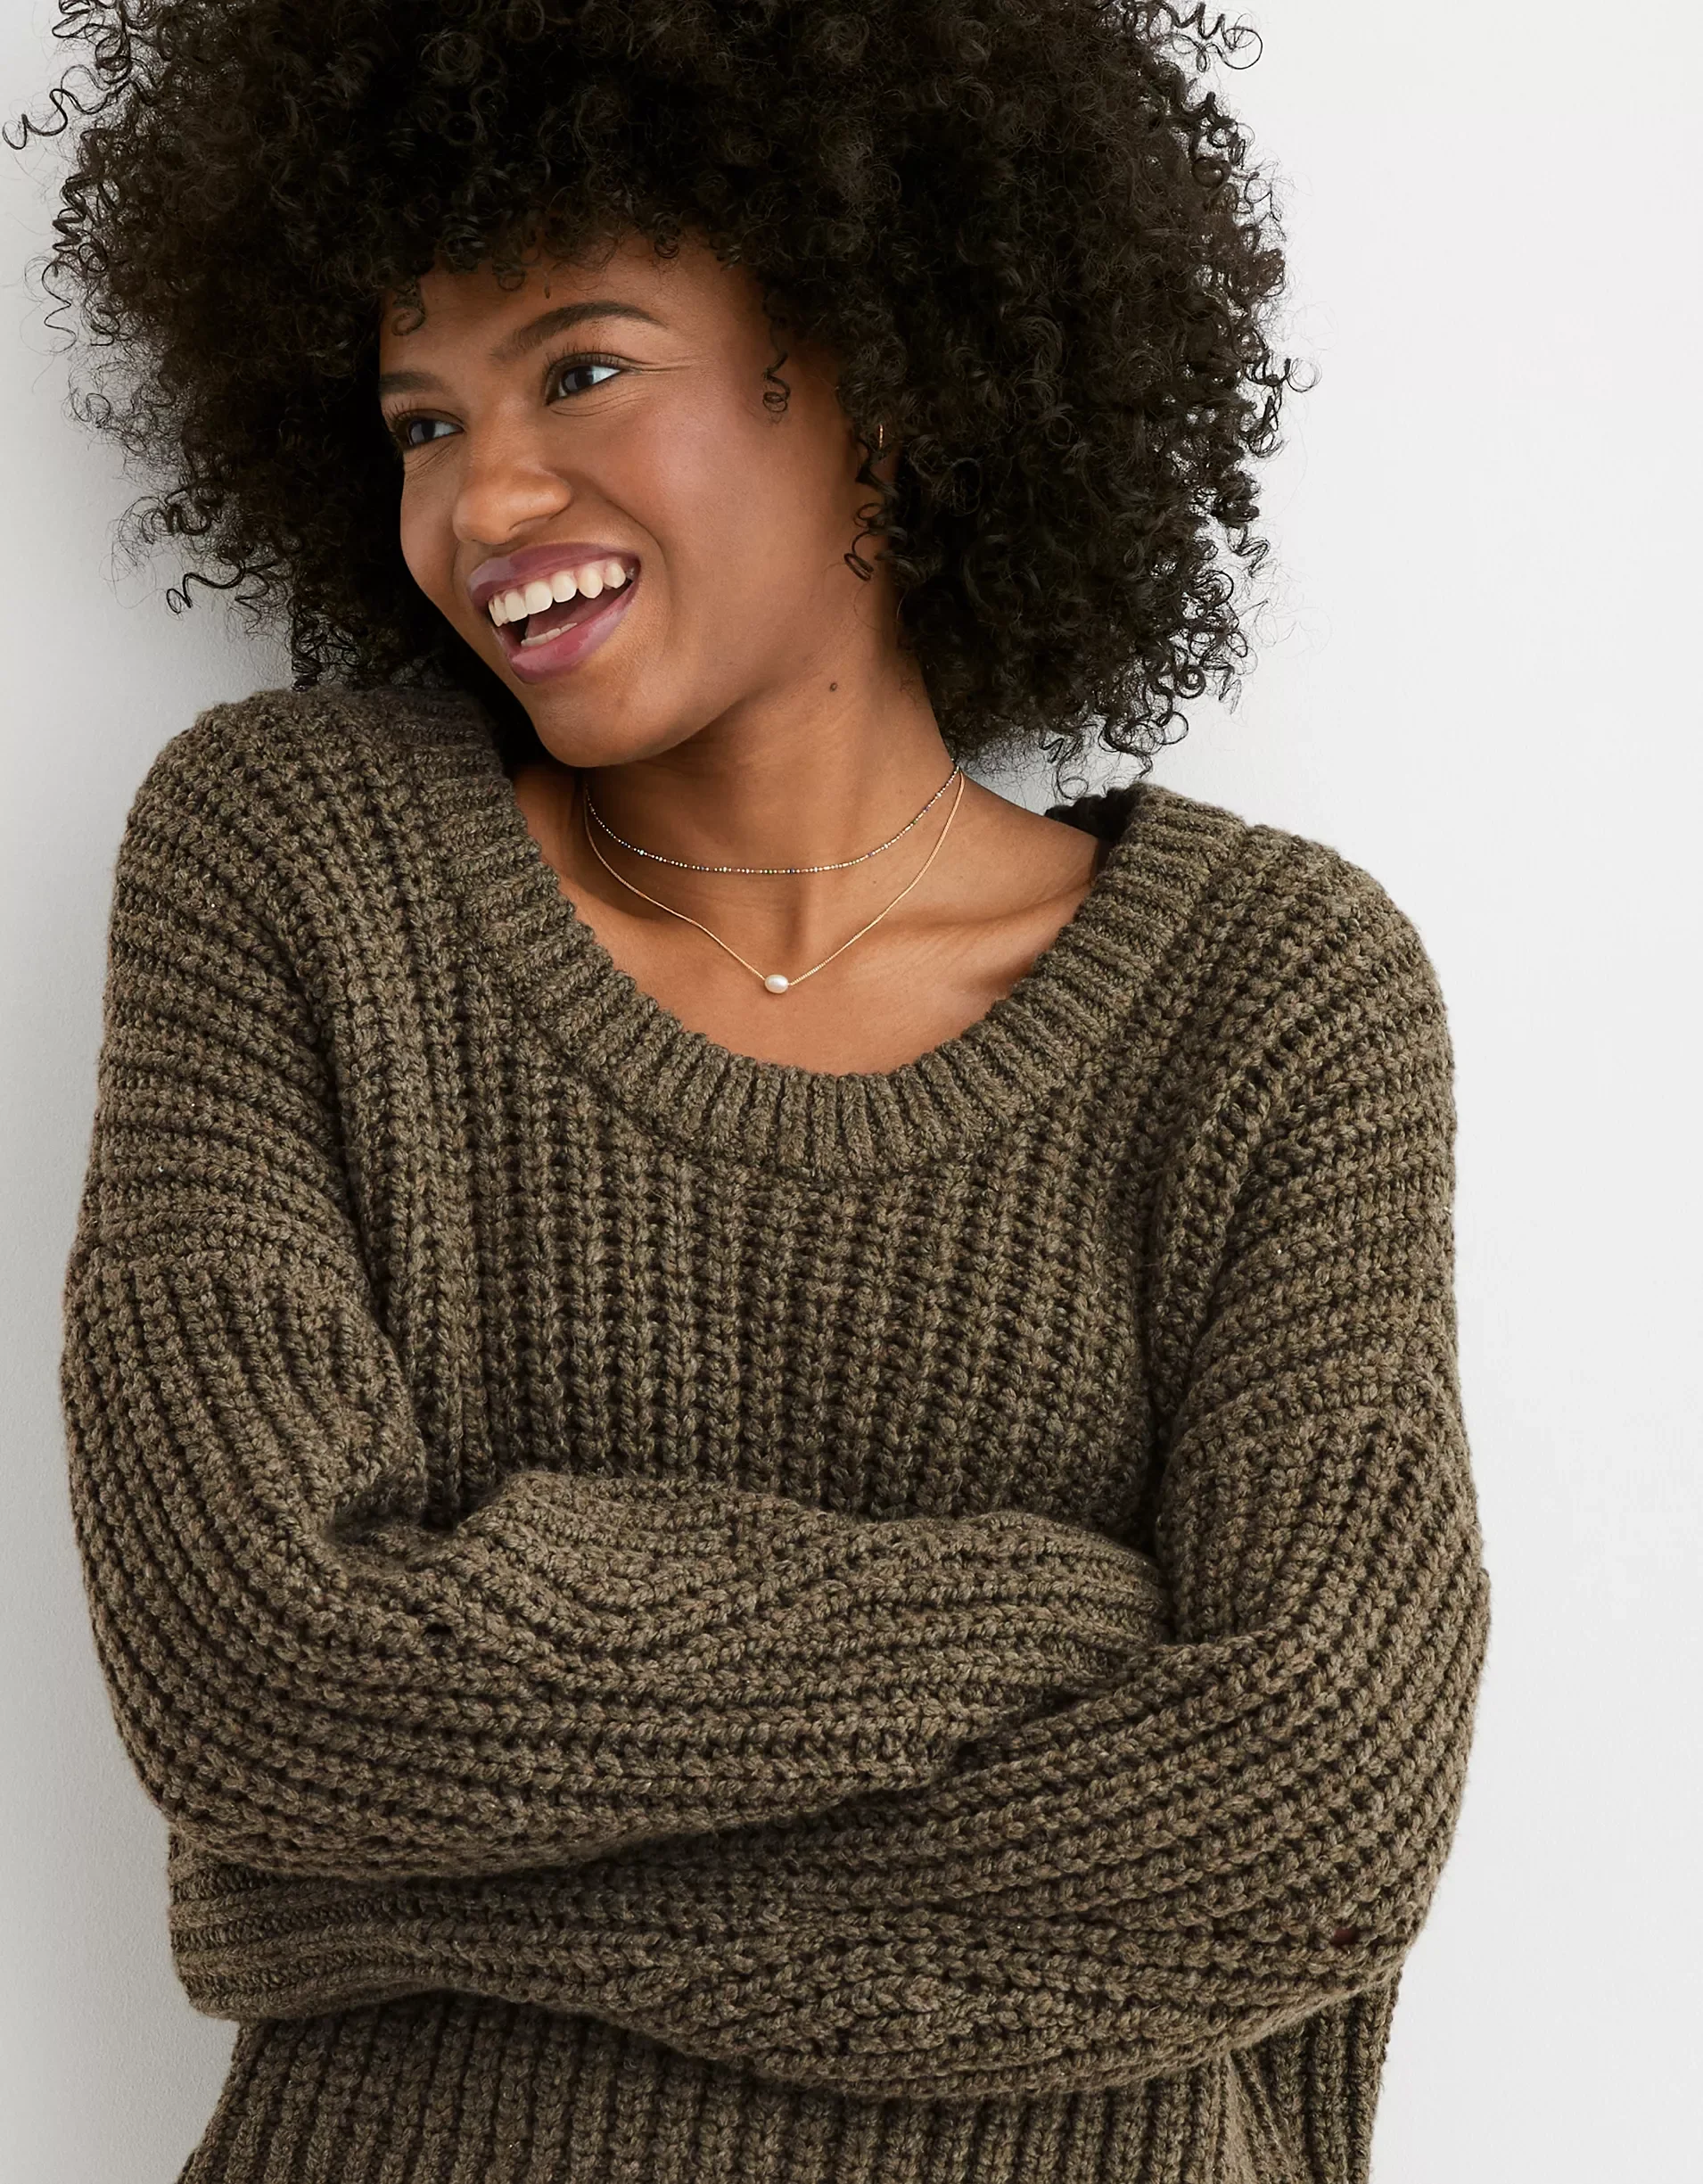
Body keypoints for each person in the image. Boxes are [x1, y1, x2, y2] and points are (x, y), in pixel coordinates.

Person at [25, 4, 1493, 2180]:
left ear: (882, 378)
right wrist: (1067, 1614)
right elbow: (260, 1685)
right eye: (419, 418)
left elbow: (1317, 1806)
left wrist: (389, 1885)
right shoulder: (294, 862)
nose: (483, 497)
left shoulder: (1272, 995)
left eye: (582, 367)